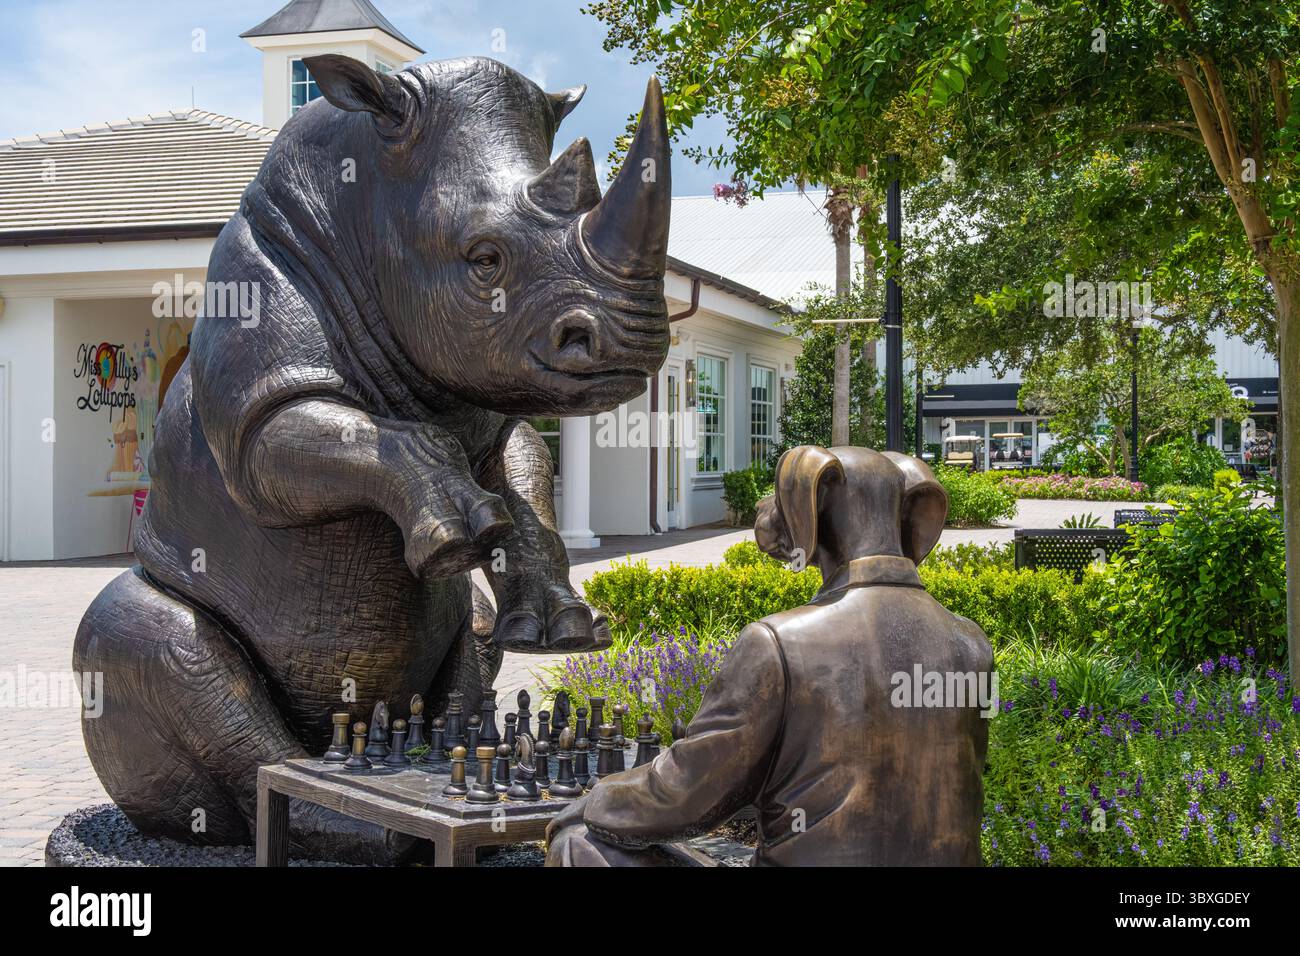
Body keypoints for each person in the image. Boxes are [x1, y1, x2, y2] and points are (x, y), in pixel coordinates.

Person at [545, 446, 994, 867]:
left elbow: (685, 794)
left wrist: (596, 800)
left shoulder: (779, 642)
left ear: (811, 508)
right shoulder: (972, 644)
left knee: (578, 845)